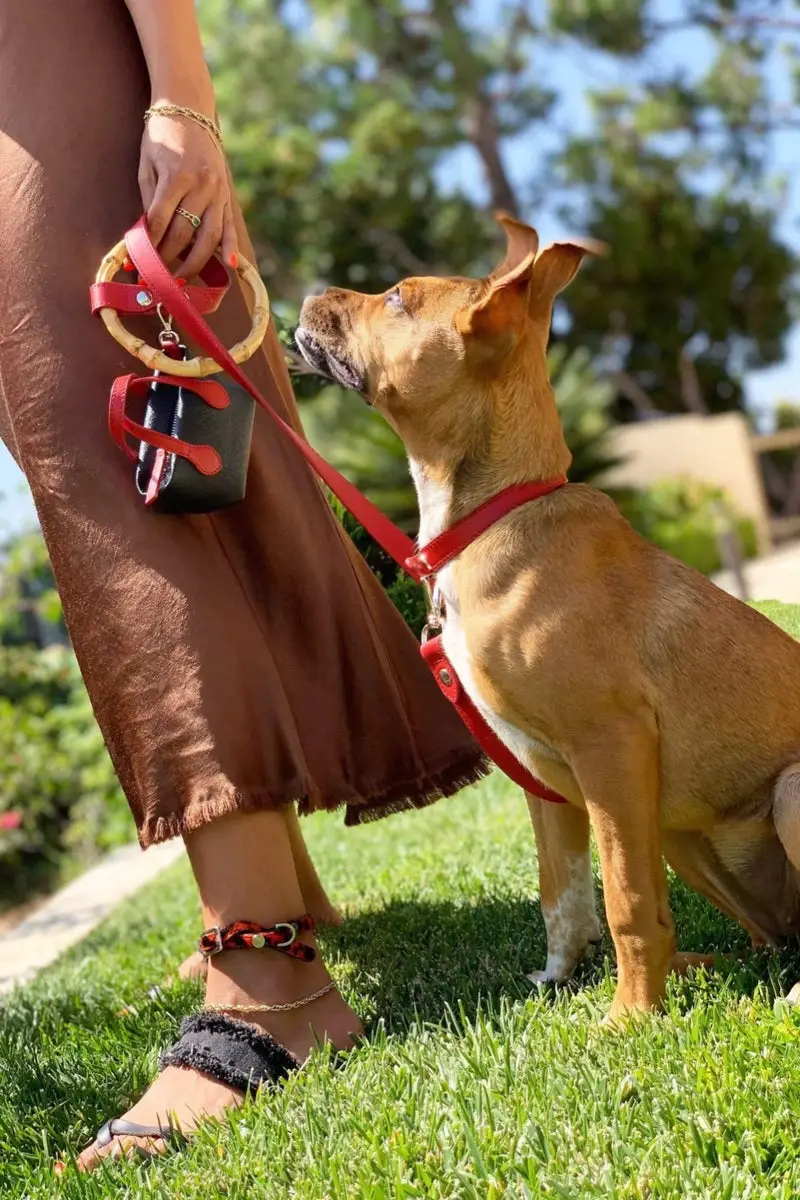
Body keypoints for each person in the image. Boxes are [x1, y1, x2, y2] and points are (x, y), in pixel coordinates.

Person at [0, 0, 484, 1169]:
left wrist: (178, 97)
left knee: (134, 489)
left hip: (49, 61)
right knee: (159, 465)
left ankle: (268, 978)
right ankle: (285, 891)